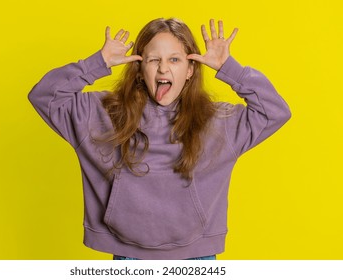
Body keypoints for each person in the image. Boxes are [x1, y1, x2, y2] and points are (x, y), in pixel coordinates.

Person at [28, 18, 291, 260]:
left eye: (175, 60)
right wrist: (98, 62)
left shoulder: (218, 121)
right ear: (139, 68)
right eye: (154, 60)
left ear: (190, 69)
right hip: (129, 256)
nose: (163, 68)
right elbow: (44, 96)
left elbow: (274, 112)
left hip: (196, 258)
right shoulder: (101, 113)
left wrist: (229, 68)